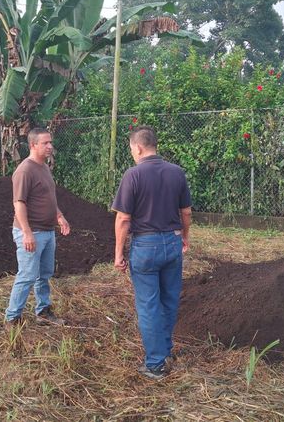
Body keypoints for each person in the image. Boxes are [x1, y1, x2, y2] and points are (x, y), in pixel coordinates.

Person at [112, 126, 192, 380]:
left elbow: (123, 219)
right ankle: (166, 350)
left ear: (138, 148)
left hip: (145, 247)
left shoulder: (133, 175)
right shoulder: (176, 172)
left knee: (148, 305)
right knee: (169, 300)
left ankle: (156, 364)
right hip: (172, 243)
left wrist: (118, 253)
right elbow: (186, 212)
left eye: (131, 149)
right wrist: (185, 236)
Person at [5, 127, 70, 327]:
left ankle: (43, 312)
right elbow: (19, 203)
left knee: (44, 274)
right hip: (32, 232)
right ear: (33, 145)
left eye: (51, 142)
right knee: (27, 275)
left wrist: (59, 216)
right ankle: (12, 318)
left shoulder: (44, 167)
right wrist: (27, 233)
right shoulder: (25, 171)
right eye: (45, 143)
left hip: (47, 231)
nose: (50, 146)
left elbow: (47, 197)